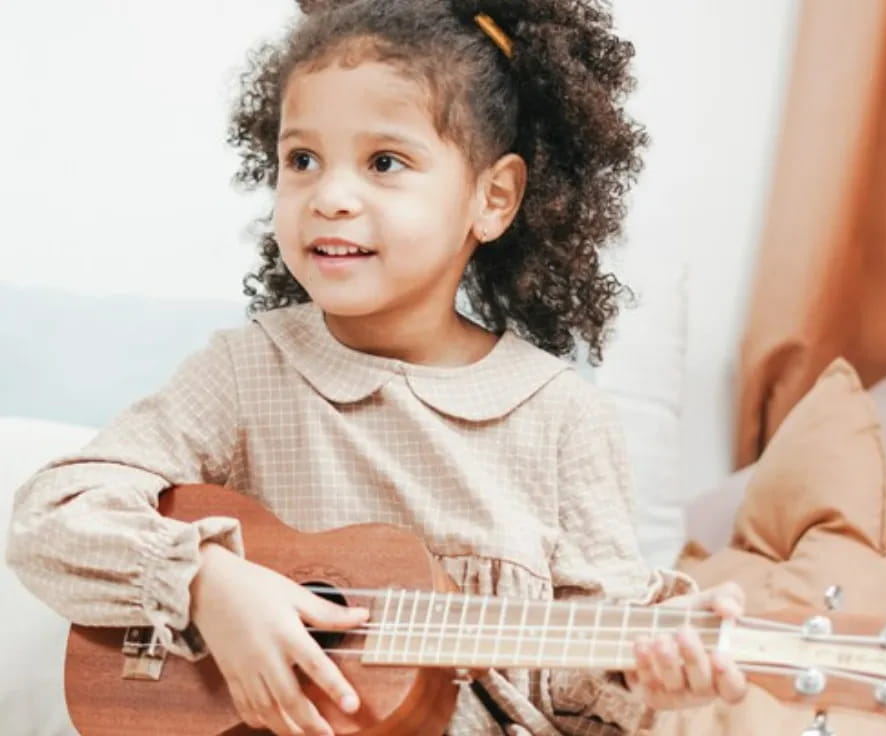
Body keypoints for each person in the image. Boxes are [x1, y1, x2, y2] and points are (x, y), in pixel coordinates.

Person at [6, 1, 747, 733]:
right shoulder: (248, 372)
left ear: (492, 199)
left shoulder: (562, 419)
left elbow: (581, 688)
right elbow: (52, 516)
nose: (329, 196)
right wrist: (206, 582)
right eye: (302, 160)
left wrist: (647, 673)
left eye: (384, 162)